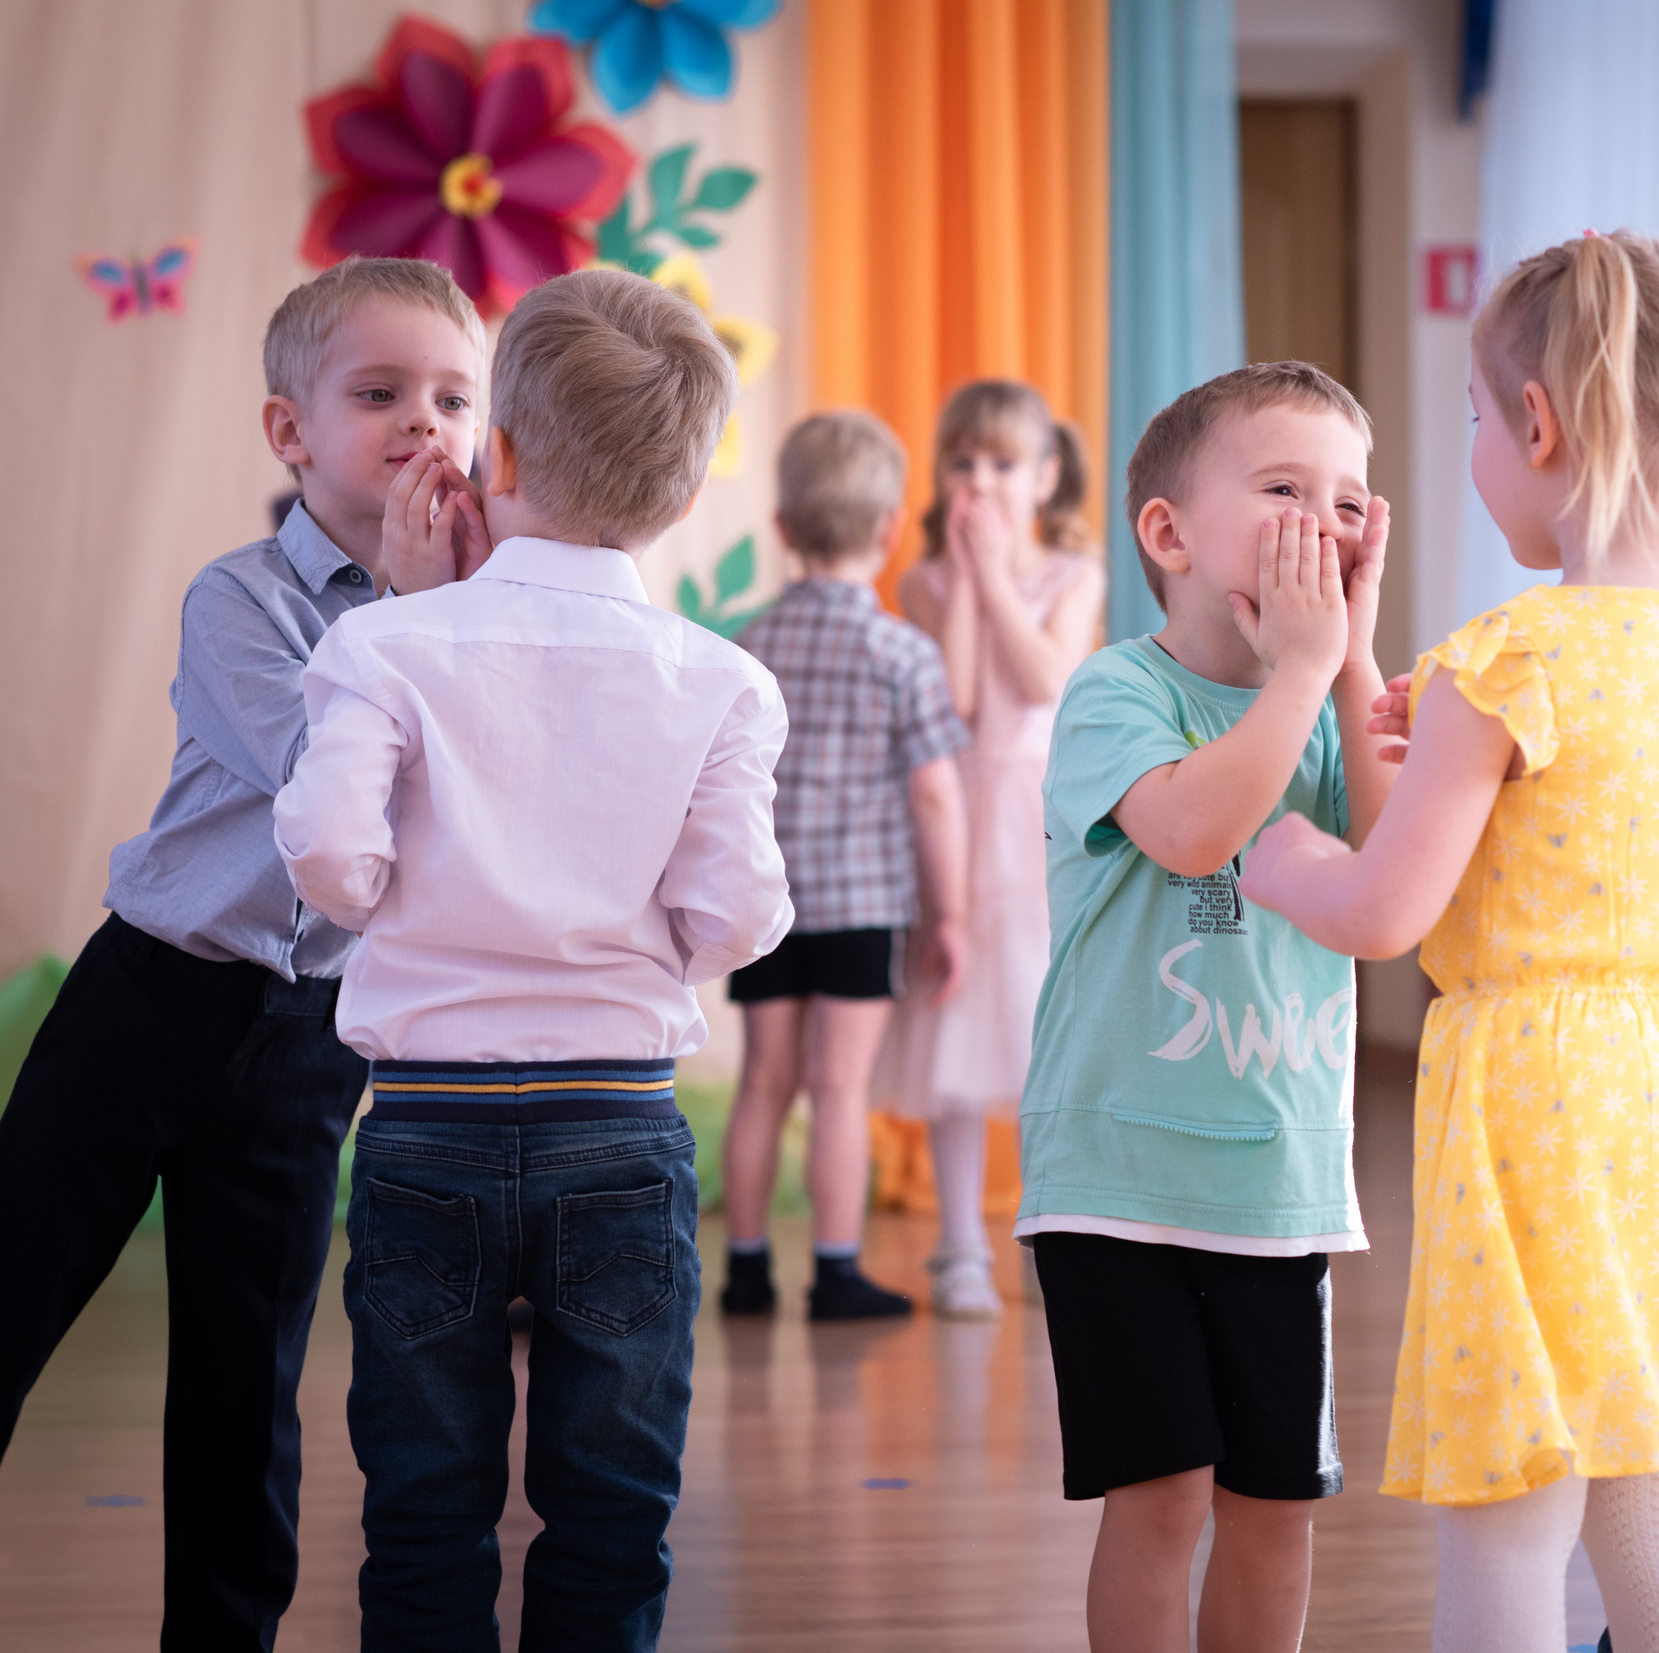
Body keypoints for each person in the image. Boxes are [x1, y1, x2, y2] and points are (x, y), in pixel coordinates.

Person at [1241, 231, 1659, 1653]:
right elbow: (1483, 866)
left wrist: (1285, 860)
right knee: (1654, 1508)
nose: (1469, 441)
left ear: (1537, 422)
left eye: (1469, 413)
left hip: (1543, 1105)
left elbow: (1392, 911)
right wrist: (1359, 688)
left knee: (1510, 1519)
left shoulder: (1514, 656)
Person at [273, 268, 794, 1645]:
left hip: (428, 1126)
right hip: (620, 1123)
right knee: (614, 1502)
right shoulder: (724, 681)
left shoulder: (381, 644)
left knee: (425, 1504)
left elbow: (328, 856)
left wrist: (398, 886)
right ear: (684, 498)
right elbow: (741, 918)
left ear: (495, 455)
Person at [0, 256, 483, 1647]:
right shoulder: (243, 598)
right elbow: (323, 781)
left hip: (308, 1038)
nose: (423, 424)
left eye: (455, 398)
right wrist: (403, 606)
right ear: (293, 433)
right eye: (379, 392)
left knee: (243, 1379)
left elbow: (467, 803)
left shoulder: (469, 616)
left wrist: (437, 609)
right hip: (151, 996)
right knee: (13, 1282)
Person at [1015, 359, 1393, 1653]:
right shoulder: (1118, 692)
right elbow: (1189, 832)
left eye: (1350, 502)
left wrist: (1349, 669)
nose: (1324, 525)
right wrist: (1299, 676)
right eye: (1285, 489)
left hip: (1277, 1184)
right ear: (1169, 535)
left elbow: (1397, 882)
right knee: (1162, 1494)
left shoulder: (1342, 712)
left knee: (1276, 1501)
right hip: (1115, 1175)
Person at [720, 410, 972, 1322]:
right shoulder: (902, 651)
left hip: (766, 902)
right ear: (891, 529)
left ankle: (745, 1269)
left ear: (783, 529)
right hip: (864, 904)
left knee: (762, 1080)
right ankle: (834, 1270)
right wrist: (951, 913)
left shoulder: (746, 645)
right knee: (840, 1087)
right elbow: (938, 796)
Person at [880, 380, 1104, 1317]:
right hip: (959, 819)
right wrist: (971, 575)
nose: (981, 480)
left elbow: (1044, 674)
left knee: (1050, 1030)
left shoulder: (1074, 571)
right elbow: (964, 693)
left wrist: (1004, 575)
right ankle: (960, 1244)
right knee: (959, 1026)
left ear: (1046, 478)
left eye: (1004, 464)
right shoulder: (924, 580)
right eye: (963, 462)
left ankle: (1065, 1227)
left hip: (1042, 820)